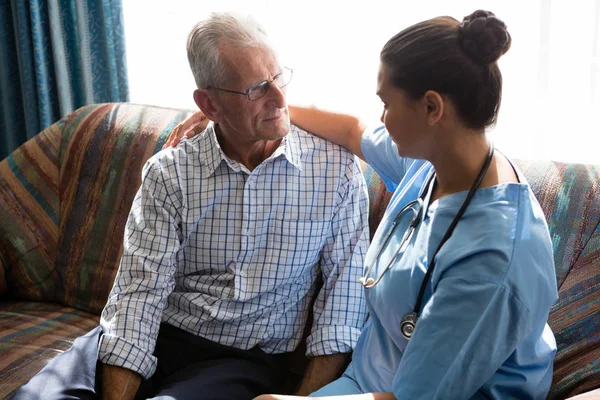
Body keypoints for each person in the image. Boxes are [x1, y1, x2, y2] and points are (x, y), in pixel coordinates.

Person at [168, 9, 559, 400]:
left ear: (432, 108)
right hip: (369, 379)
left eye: (386, 104)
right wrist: (251, 114)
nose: (382, 119)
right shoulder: (437, 159)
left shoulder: (492, 261)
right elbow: (353, 130)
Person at [12, 12, 370, 400]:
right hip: (157, 332)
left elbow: (342, 308)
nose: (281, 99)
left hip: (241, 360)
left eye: (279, 76)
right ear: (209, 105)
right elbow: (138, 297)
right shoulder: (169, 173)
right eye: (257, 88)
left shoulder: (336, 171)